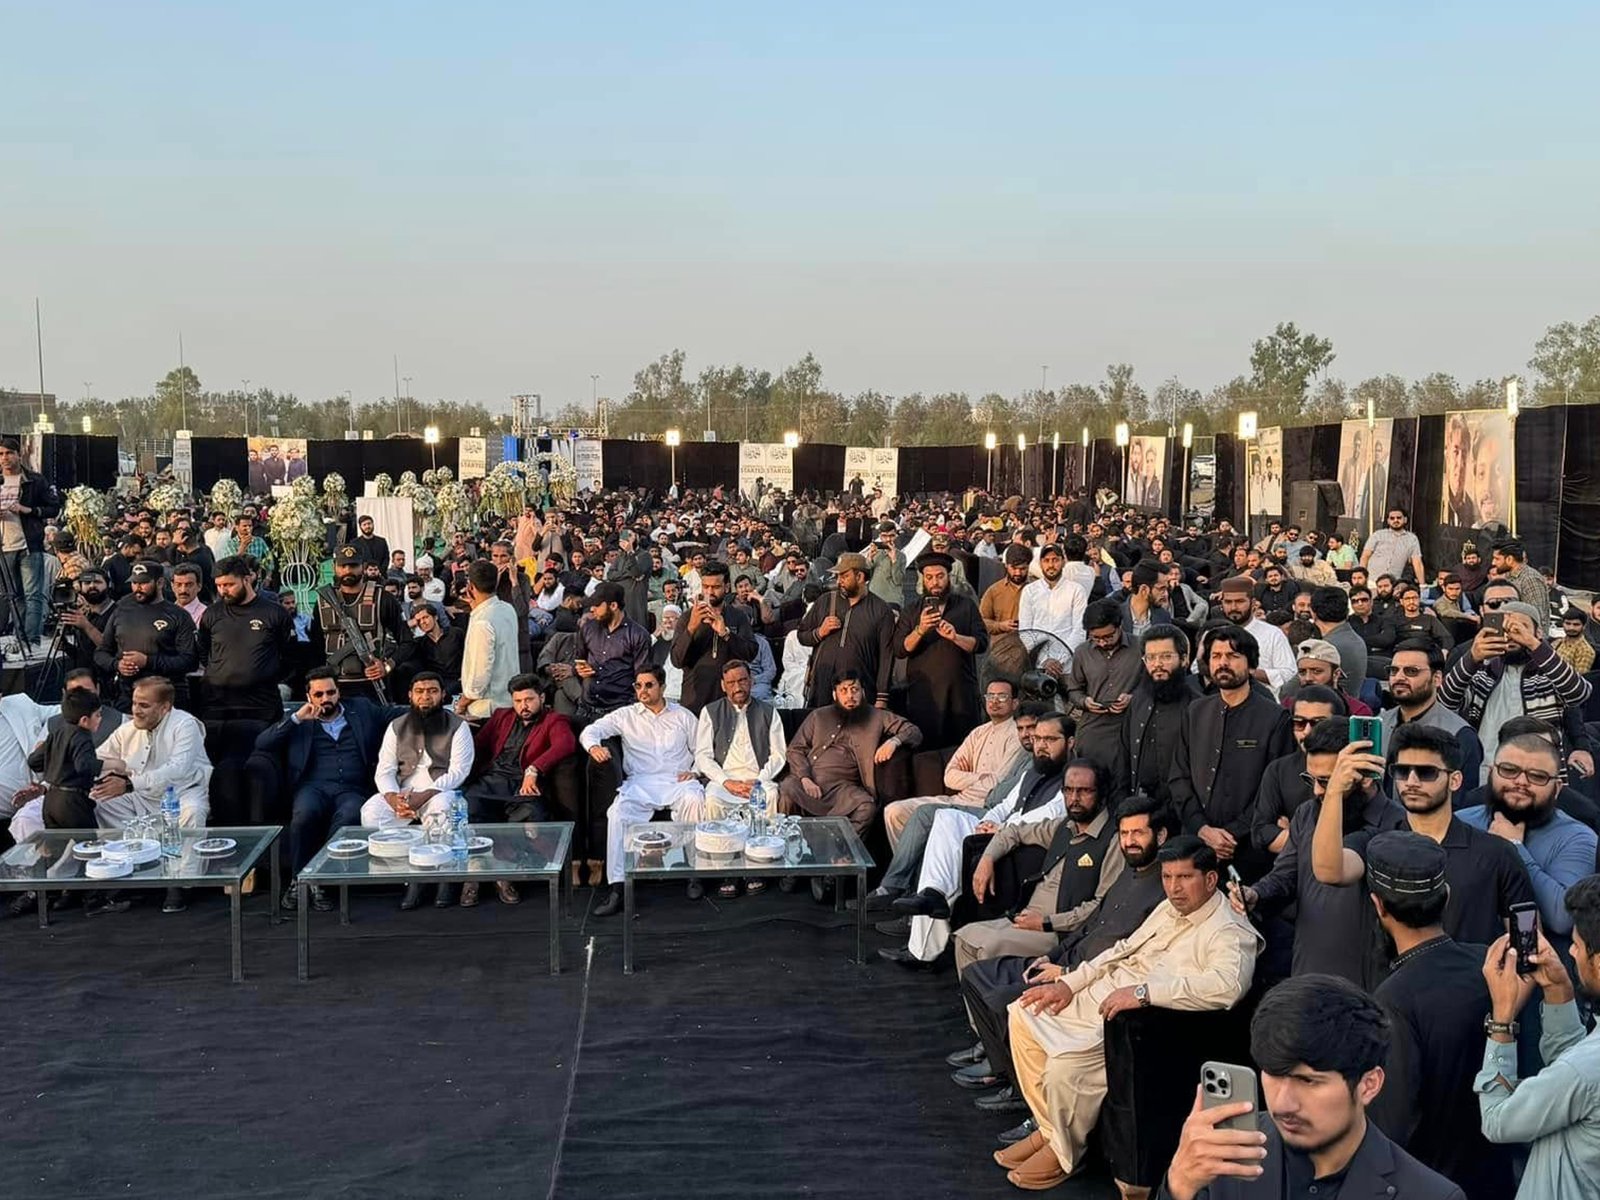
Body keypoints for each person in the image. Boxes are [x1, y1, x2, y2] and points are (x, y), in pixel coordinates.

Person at [998, 836, 1261, 1191]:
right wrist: (1071, 983)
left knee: (1064, 1067)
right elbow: (1124, 948)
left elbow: (1228, 987)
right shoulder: (1170, 907)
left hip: (1134, 1019)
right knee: (1023, 1013)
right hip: (1100, 992)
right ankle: (1050, 1130)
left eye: (1184, 878)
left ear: (1211, 880)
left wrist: (1143, 993)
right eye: (1167, 878)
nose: (1173, 888)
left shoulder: (1229, 929)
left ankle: (1064, 1154)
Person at [954, 793, 1170, 1120]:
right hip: (1061, 959)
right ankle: (1004, 1069)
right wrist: (1051, 957)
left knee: (1002, 1001)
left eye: (1138, 834)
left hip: (1082, 979)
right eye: (1124, 834)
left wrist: (1065, 971)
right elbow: (1092, 924)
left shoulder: (1164, 887)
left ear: (1161, 835)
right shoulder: (1128, 871)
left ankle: (1022, 1095)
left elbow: (1121, 954)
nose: (1129, 842)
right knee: (975, 975)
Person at [1163, 973, 1465, 1200]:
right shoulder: (1224, 1154)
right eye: (1273, 1074)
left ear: (1368, 1085)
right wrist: (1178, 1186)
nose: (1283, 1103)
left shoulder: (1429, 1195)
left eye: (1308, 1081)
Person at [1357, 831, 1515, 1200]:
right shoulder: (1491, 965)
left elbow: (1394, 1125)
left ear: (1378, 905)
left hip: (1432, 1185)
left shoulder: (1394, 998)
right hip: (1500, 1176)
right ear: (1446, 895)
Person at [1312, 722, 1534, 947]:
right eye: (1402, 771)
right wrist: (1335, 789)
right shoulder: (1376, 843)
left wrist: (1523, 975)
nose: (1411, 781)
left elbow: (1527, 936)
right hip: (1393, 979)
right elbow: (1328, 871)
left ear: (1455, 780)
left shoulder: (1497, 853)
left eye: (1426, 772)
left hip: (1471, 979)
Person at [883, 716, 1076, 968]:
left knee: (952, 842)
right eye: (1038, 739)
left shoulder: (1074, 777)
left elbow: (1051, 815)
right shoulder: (1032, 771)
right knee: (946, 818)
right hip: (998, 832)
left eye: (1050, 739)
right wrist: (987, 822)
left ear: (1070, 742)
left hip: (1026, 844)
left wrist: (1003, 829)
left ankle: (924, 948)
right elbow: (1005, 805)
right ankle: (934, 893)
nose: (1041, 745)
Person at [1237, 718, 1406, 987]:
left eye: (1327, 781)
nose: (1316, 790)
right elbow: (1285, 875)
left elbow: (1333, 870)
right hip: (1309, 974)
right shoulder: (1307, 814)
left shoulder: (1396, 824)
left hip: (1368, 984)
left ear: (1361, 777)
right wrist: (1256, 894)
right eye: (1311, 779)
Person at [1477, 874, 1600, 1196]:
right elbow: (1573, 1077)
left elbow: (1497, 1121)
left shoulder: (1586, 1069)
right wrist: (1559, 991)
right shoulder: (1584, 1067)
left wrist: (1502, 1021)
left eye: (1576, 944)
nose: (1571, 952)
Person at [952, 756, 1117, 973]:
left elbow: (1101, 906)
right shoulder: (1063, 827)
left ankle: (1001, 1005)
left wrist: (1046, 922)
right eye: (1068, 790)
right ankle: (979, 1007)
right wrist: (987, 859)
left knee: (986, 950)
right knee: (963, 939)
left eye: (1084, 791)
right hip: (1024, 918)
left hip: (1059, 933)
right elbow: (1012, 831)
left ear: (1101, 794)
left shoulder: (1112, 839)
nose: (1074, 798)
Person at [256, 668, 399, 909]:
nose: (325, 699)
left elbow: (394, 714)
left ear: (338, 692)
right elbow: (262, 743)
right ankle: (297, 880)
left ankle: (318, 880)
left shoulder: (361, 708)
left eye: (330, 692)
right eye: (319, 694)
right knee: (304, 816)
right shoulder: (299, 719)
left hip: (352, 788)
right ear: (309, 696)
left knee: (349, 817)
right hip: (313, 787)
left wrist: (442, 712)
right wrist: (296, 718)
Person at [1168, 625, 1293, 882]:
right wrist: (1202, 829)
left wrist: (1230, 834)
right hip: (1195, 841)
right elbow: (1179, 777)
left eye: (1233, 656)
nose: (1223, 663)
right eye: (1216, 656)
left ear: (1250, 665)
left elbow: (1272, 790)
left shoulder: (1274, 718)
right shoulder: (1195, 712)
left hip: (1248, 850)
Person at [579, 664, 705, 917]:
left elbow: (702, 750)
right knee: (618, 813)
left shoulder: (683, 716)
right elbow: (591, 730)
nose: (643, 690)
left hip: (677, 781)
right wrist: (593, 747)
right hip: (640, 782)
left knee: (695, 799)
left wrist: (696, 771)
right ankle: (617, 887)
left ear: (662, 687)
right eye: (638, 685)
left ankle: (694, 874)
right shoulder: (626, 715)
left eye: (649, 685)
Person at [1458, 733, 1598, 946]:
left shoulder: (1577, 838)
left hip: (1536, 968)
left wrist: (1514, 848)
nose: (1521, 782)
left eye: (1537, 776)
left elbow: (1564, 918)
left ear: (1557, 788)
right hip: (1460, 960)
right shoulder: (1460, 823)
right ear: (1491, 774)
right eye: (1509, 770)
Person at [91, 676, 213, 913]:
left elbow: (177, 769)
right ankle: (127, 871)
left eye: (144, 706)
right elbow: (96, 758)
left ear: (165, 707)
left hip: (183, 792)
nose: (136, 710)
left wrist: (128, 784)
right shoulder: (127, 730)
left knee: (193, 812)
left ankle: (179, 883)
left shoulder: (185, 725)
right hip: (142, 796)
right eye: (135, 703)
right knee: (99, 805)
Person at [1440, 599, 1591, 783]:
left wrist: (1533, 643)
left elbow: (1579, 693)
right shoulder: (1483, 674)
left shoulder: (1548, 676)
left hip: (1539, 780)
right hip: (1484, 779)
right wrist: (1472, 658)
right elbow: (1446, 702)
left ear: (1538, 633)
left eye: (1521, 627)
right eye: (1506, 628)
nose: (1512, 634)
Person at [460, 673, 577, 907]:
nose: (523, 706)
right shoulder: (502, 716)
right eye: (518, 701)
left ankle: (504, 875)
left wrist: (534, 769)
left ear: (541, 698)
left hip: (522, 784)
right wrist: (458, 727)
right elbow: (480, 744)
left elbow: (566, 743)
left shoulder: (553, 720)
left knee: (533, 812)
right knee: (468, 807)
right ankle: (473, 877)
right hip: (490, 781)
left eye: (529, 700)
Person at [359, 672, 475, 909]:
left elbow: (458, 772)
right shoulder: (396, 726)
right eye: (420, 692)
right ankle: (410, 876)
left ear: (443, 695)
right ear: (410, 696)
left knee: (444, 808)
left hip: (439, 790)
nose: (426, 697)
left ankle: (443, 877)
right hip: (402, 791)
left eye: (432, 691)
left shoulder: (458, 726)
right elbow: (384, 769)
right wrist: (393, 798)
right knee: (371, 813)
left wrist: (424, 796)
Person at [777, 668, 920, 838]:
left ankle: (841, 848)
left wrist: (893, 741)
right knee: (787, 788)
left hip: (844, 789)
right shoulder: (819, 716)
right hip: (810, 782)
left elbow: (913, 731)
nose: (850, 696)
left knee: (866, 807)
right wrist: (805, 778)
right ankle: (786, 846)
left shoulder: (877, 717)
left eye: (855, 690)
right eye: (843, 691)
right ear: (835, 694)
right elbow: (795, 749)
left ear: (863, 692)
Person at [692, 658, 788, 899]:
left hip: (758, 778)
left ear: (751, 681)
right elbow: (703, 757)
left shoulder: (768, 711)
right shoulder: (710, 712)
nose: (738, 687)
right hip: (725, 780)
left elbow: (779, 754)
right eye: (732, 682)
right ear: (723, 685)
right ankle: (728, 869)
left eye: (743, 680)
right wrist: (726, 782)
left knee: (770, 794)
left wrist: (759, 780)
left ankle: (757, 865)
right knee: (712, 798)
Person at [893, 550, 987, 750]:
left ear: (948, 577)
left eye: (939, 576)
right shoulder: (911, 611)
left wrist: (956, 637)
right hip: (925, 698)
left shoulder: (966, 606)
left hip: (961, 696)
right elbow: (900, 649)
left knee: (963, 751)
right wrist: (921, 629)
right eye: (929, 577)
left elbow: (981, 644)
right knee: (927, 754)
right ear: (923, 580)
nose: (935, 582)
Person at [796, 552, 898, 709]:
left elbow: (886, 657)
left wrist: (882, 697)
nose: (839, 581)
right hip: (823, 688)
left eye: (844, 576)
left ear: (860, 577)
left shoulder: (881, 610)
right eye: (838, 577)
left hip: (859, 693)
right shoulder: (825, 601)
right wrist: (820, 632)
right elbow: (802, 635)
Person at [1114, 625, 1200, 807]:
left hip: (1183, 809)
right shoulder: (1138, 700)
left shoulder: (1198, 706)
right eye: (1151, 658)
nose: (1157, 664)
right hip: (1140, 804)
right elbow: (1125, 753)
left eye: (1166, 657)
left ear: (1184, 659)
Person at [94, 561, 199, 711]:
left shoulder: (179, 616)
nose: (138, 588)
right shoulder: (121, 611)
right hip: (127, 696)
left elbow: (190, 661)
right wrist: (117, 665)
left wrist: (148, 661)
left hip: (167, 698)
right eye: (134, 583)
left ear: (160, 582)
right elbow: (101, 652)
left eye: (143, 583)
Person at [1380, 641, 1483, 792]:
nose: (1399, 677)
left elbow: (1462, 805)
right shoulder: (1379, 723)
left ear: (1437, 678)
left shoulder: (1460, 734)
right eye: (1394, 670)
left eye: (1411, 671)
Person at [310, 544, 405, 701]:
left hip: (371, 686)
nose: (348, 570)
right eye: (343, 565)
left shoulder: (383, 599)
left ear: (363, 567)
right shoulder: (323, 602)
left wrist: (387, 666)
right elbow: (316, 647)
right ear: (334, 567)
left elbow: (407, 641)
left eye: (353, 565)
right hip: (333, 689)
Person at [670, 560, 759, 715]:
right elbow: (677, 660)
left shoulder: (738, 616)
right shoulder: (687, 618)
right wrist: (692, 627)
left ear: (727, 587)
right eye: (706, 587)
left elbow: (750, 653)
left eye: (716, 587)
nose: (709, 592)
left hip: (729, 699)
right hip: (695, 699)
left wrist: (726, 634)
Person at [1065, 598, 1143, 774]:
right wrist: (1085, 702)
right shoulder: (1082, 652)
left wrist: (1133, 698)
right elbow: (1073, 689)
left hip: (1131, 723)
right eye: (1096, 638)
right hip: (1093, 725)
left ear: (1120, 625)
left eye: (1108, 637)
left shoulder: (1140, 647)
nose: (1102, 642)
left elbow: (1152, 685)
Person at [0, 436, 60, 651]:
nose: (5, 458)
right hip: (4, 547)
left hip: (29, 545)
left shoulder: (34, 480)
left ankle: (31, 641)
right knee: (12, 596)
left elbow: (54, 508)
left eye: (9, 453)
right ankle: (19, 637)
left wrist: (29, 510)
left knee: (33, 594)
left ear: (18, 455)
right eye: (1, 454)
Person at [453, 559, 520, 719]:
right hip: (508, 701)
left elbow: (480, 674)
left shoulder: (482, 622)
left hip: (486, 709)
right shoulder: (507, 609)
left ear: (470, 587)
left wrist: (461, 705)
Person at [28, 688, 103, 831]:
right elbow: (84, 765)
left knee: (56, 849)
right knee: (89, 848)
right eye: (98, 715)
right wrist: (114, 764)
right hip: (72, 802)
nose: (100, 719)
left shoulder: (57, 732)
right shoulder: (82, 736)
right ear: (84, 720)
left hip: (50, 801)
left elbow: (33, 761)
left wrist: (55, 759)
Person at [575, 581, 653, 717]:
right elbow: (578, 659)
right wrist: (580, 669)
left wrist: (631, 711)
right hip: (586, 707)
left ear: (613, 606)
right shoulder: (588, 628)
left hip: (619, 710)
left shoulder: (638, 635)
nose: (592, 609)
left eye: (597, 605)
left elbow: (643, 677)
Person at [1017, 542, 1087, 679]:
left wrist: (1059, 660)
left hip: (1067, 667)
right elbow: (1025, 631)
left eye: (1055, 560)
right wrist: (1045, 661)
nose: (1051, 565)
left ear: (1063, 561)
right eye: (1046, 560)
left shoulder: (1076, 590)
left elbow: (1079, 630)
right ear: (1040, 563)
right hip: (1037, 665)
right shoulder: (1030, 591)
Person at [1213, 577, 1296, 693]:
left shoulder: (1273, 634)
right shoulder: (1213, 635)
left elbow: (1289, 674)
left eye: (1239, 601)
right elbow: (1197, 670)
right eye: (1228, 602)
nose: (1233, 608)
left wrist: (1250, 672)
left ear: (1253, 603)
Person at [1362, 507, 1426, 586]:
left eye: (1399, 518)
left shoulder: (1412, 539)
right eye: (1392, 518)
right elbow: (1365, 557)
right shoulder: (1378, 535)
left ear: (1405, 520)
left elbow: (1417, 563)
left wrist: (1422, 585)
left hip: (1394, 583)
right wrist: (1362, 578)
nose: (1395, 520)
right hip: (1372, 581)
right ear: (1388, 521)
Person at [1492, 539, 1550, 618]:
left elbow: (1537, 616)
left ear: (1509, 559)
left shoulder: (1530, 579)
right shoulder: (1509, 577)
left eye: (1497, 559)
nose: (1493, 562)